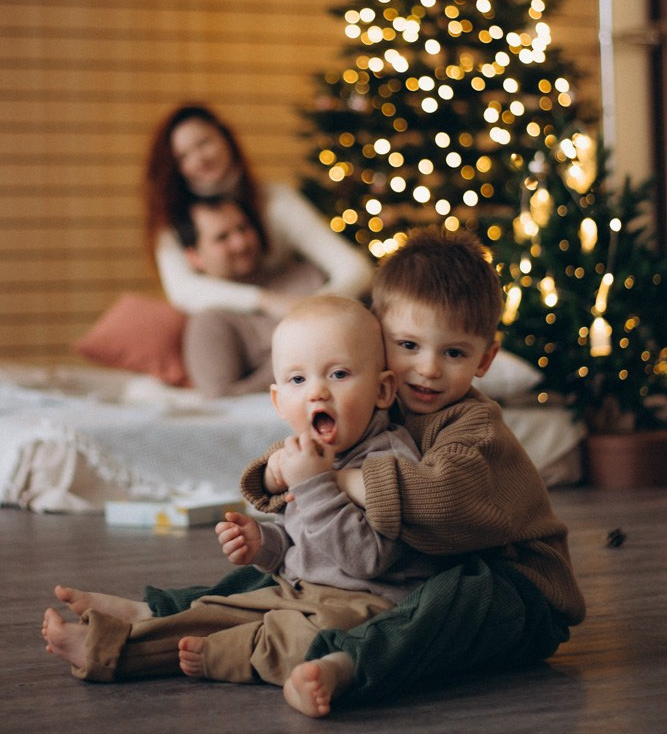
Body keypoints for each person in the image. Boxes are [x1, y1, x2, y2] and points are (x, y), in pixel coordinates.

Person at [45, 229, 586, 717]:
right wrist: (278, 478)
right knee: (285, 566)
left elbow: (441, 500)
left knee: (454, 602)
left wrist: (337, 482)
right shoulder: (380, 404)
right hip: (417, 567)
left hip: (514, 584)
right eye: (407, 346)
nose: (427, 368)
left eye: (454, 352)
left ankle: (346, 667)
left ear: (485, 359)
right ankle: (154, 612)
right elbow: (305, 456)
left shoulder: (475, 427)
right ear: (380, 352)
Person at [42, 296, 443, 713]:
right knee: (217, 611)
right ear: (278, 402)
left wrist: (315, 485)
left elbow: (365, 560)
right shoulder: (307, 457)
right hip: (298, 592)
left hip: (365, 606)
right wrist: (263, 544)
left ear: (382, 390)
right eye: (297, 380)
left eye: (339, 374)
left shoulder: (388, 461)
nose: (317, 392)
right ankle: (111, 634)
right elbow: (298, 547)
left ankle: (133, 655)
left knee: (302, 640)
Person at [144, 103, 373, 320]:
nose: (200, 159)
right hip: (226, 324)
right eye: (183, 156)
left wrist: (314, 309)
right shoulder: (171, 224)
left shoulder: (276, 201)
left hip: (291, 317)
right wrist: (265, 300)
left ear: (225, 138)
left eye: (204, 142)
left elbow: (354, 267)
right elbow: (183, 292)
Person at [175, 194, 324, 397]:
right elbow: (221, 398)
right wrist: (299, 360)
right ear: (195, 257)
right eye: (222, 237)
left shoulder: (309, 274)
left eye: (243, 228)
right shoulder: (210, 320)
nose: (240, 243)